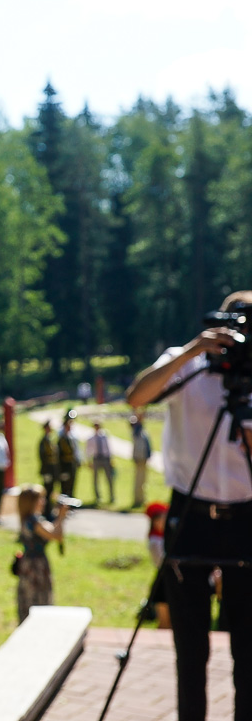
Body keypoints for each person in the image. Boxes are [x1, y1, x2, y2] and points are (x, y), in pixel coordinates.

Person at [127, 290, 252, 721]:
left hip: (246, 515)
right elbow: (136, 397)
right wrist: (194, 349)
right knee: (190, 648)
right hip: (191, 510)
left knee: (249, 652)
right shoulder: (188, 363)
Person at [14, 485, 68, 622]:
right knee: (38, 600)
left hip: (29, 563)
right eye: (40, 499)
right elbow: (56, 535)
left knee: (29, 599)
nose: (43, 502)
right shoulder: (34, 521)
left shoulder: (29, 519)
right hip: (36, 566)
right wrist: (61, 517)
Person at [145, 501, 171, 629]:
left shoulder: (164, 537)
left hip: (170, 579)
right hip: (164, 580)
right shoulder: (155, 541)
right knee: (164, 623)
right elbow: (161, 562)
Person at [87, 421, 115, 505]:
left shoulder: (104, 436)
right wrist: (89, 461)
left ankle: (111, 496)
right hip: (96, 459)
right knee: (96, 479)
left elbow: (109, 447)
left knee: (109, 478)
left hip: (105, 458)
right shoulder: (91, 438)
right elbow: (88, 450)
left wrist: (111, 459)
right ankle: (97, 497)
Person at [57, 409, 81, 500]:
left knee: (71, 484)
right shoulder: (61, 438)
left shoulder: (72, 436)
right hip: (64, 465)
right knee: (65, 485)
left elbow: (76, 450)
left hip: (71, 464)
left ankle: (70, 502)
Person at [130, 411, 152, 507]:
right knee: (139, 480)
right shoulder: (136, 431)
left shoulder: (142, 431)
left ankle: (142, 499)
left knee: (143, 480)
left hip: (144, 459)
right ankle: (137, 499)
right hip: (139, 458)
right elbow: (135, 424)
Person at [37, 420, 58, 519]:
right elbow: (42, 457)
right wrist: (45, 472)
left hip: (52, 470)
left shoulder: (50, 440)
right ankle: (45, 512)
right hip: (47, 470)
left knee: (51, 491)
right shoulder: (43, 441)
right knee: (47, 492)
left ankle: (49, 510)